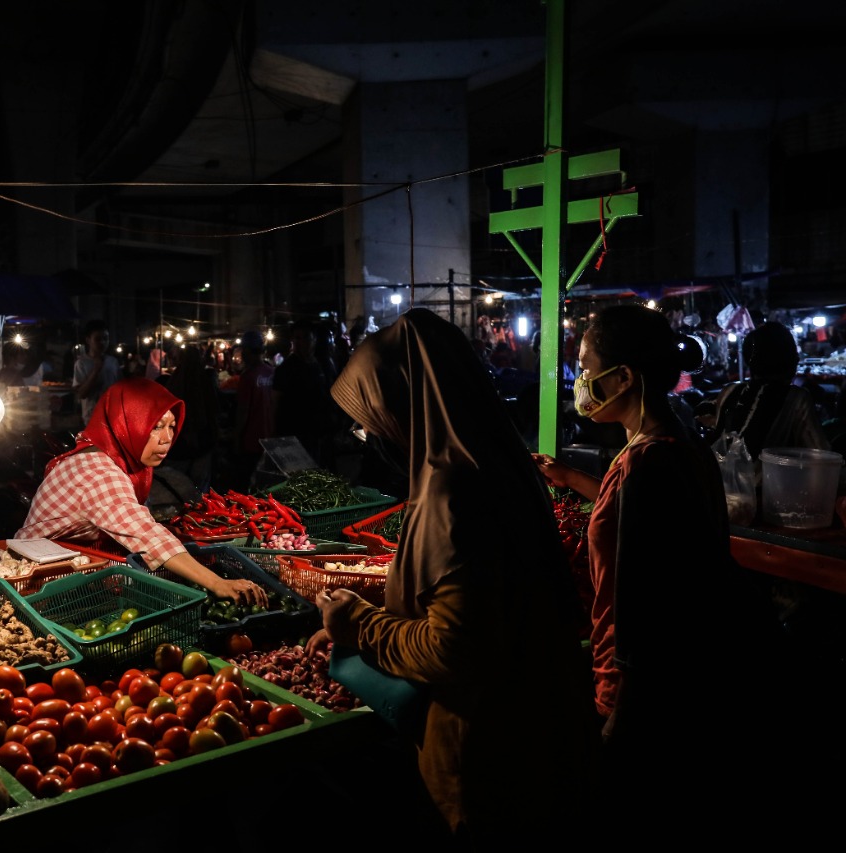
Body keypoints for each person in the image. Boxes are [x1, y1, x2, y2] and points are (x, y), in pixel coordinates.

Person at [308, 308, 596, 848]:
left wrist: (359, 625)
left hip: (489, 761)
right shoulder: (502, 463)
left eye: (368, 415)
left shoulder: (452, 491)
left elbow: (452, 648)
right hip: (542, 736)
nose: (369, 432)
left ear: (400, 402)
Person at [532, 304, 794, 846]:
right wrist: (569, 477)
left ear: (624, 377)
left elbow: (641, 608)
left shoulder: (648, 466)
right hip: (682, 676)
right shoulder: (671, 441)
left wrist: (616, 717)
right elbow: (625, 510)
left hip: (642, 689)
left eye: (586, 366)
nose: (581, 381)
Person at [16, 377, 265, 605]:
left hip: (68, 568)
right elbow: (146, 534)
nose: (167, 438)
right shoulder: (98, 472)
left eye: (172, 426)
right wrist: (216, 582)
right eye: (155, 426)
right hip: (34, 585)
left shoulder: (112, 455)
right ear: (125, 423)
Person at [706, 321, 830, 457]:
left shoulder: (729, 391)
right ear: (788, 360)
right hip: (769, 478)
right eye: (794, 353)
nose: (797, 359)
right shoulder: (796, 398)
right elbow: (821, 455)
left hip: (720, 476)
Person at [273, 318, 337, 467]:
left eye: (306, 337)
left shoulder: (320, 365)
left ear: (314, 339)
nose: (301, 342)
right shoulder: (286, 369)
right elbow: (274, 403)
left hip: (318, 434)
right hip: (294, 436)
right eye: (297, 338)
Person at [160, 343, 219, 492]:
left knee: (177, 489)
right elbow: (212, 412)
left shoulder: (173, 382)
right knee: (199, 491)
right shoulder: (205, 380)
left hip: (179, 447)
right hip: (201, 444)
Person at [226, 330, 275, 491]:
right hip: (270, 438)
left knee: (246, 484)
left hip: (251, 440)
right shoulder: (271, 371)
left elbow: (243, 412)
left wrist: (236, 439)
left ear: (247, 351)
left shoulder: (248, 377)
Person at [73, 319, 122, 425]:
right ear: (88, 340)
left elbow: (120, 388)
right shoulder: (81, 363)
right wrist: (96, 370)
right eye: (98, 339)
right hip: (92, 418)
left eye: (105, 338)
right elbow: (81, 394)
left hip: (112, 416)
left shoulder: (113, 362)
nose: (103, 342)